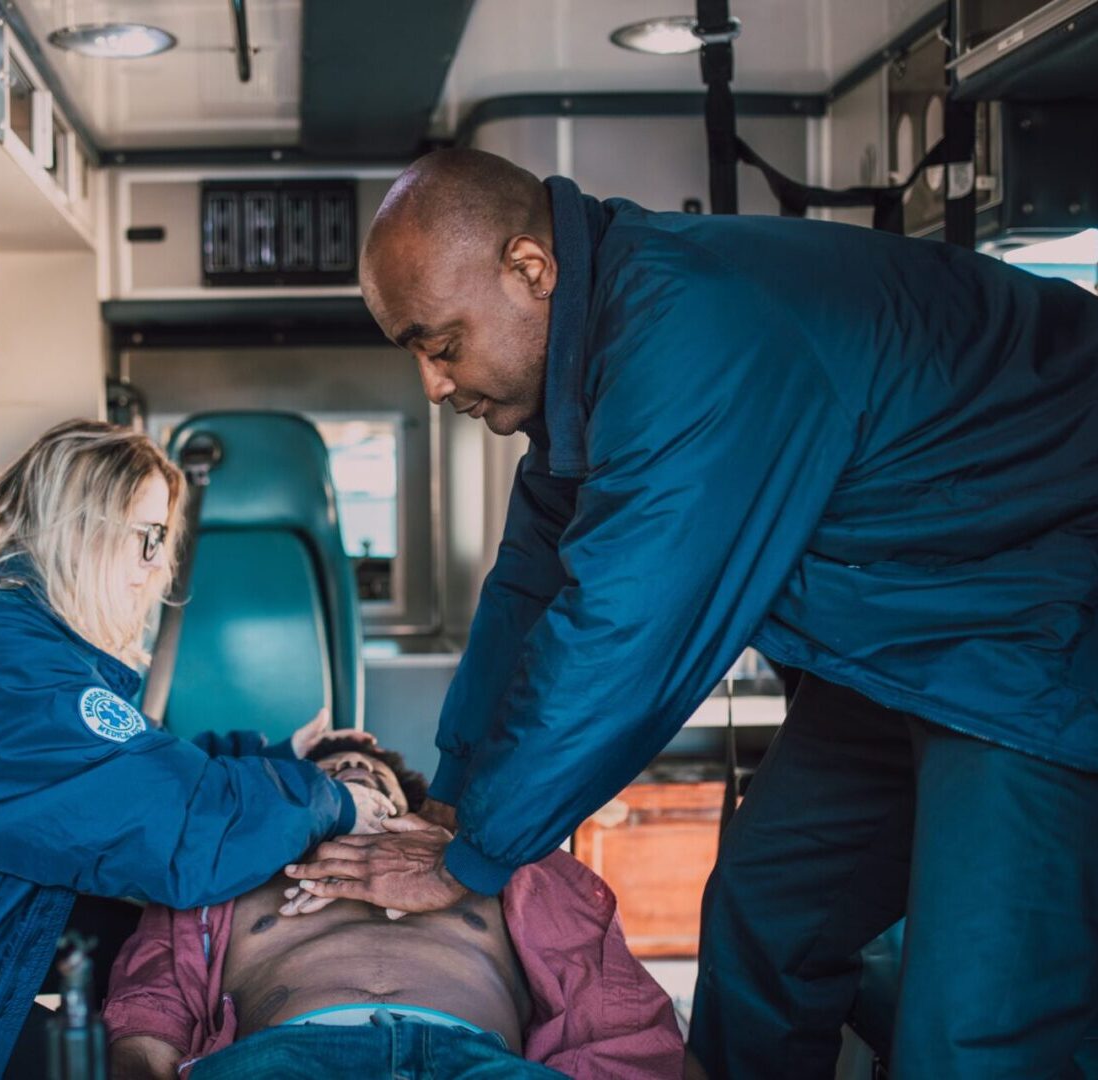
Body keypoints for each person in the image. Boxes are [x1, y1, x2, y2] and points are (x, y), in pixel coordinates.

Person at [283, 148, 1098, 1078]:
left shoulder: (689, 331)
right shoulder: (584, 384)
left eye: (441, 343)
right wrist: (456, 798)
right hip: (903, 644)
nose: (430, 384)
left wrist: (472, 858)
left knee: (976, 1033)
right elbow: (528, 593)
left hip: (1039, 622)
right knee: (766, 916)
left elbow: (625, 631)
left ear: (529, 271)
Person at [0, 420, 397, 1079]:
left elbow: (123, 772)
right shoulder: (13, 664)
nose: (154, 568)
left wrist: (280, 755)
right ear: (83, 525)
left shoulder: (2, 628)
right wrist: (333, 800)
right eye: (147, 538)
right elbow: (180, 829)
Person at [103, 737, 684, 1079]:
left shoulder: (493, 864)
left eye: (376, 774)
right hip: (288, 1056)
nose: (358, 768)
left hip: (480, 1061)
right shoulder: (227, 867)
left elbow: (604, 998)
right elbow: (154, 998)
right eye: (333, 774)